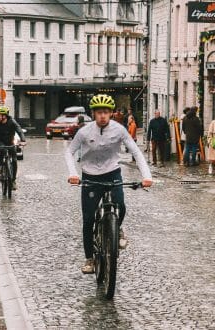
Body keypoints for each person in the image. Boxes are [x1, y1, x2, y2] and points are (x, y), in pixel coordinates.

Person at [65, 94, 153, 274]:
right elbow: (69, 152)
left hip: (112, 173)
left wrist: (147, 176)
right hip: (90, 176)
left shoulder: (119, 130)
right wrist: (73, 174)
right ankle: (89, 259)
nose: (102, 116)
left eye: (106, 112)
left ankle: (117, 229)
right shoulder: (84, 132)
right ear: (94, 113)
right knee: (88, 220)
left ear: (111, 113)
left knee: (120, 205)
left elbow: (136, 152)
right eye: (99, 113)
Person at [0, 105, 26, 190]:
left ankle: (13, 181)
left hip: (10, 141)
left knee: (15, 160)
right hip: (0, 141)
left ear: (4, 116)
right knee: (2, 149)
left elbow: (19, 130)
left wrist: (23, 140)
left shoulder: (12, 122)